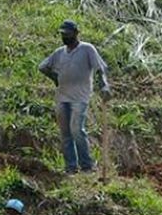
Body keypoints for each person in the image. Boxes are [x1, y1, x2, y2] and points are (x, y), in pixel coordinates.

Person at [38, 19, 111, 174]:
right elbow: (43, 67)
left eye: (68, 34)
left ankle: (86, 166)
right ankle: (70, 167)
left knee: (77, 129)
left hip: (80, 97)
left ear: (76, 33)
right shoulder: (59, 52)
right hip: (62, 97)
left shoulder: (87, 49)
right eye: (63, 34)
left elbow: (100, 69)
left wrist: (104, 85)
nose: (65, 37)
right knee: (65, 133)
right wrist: (55, 78)